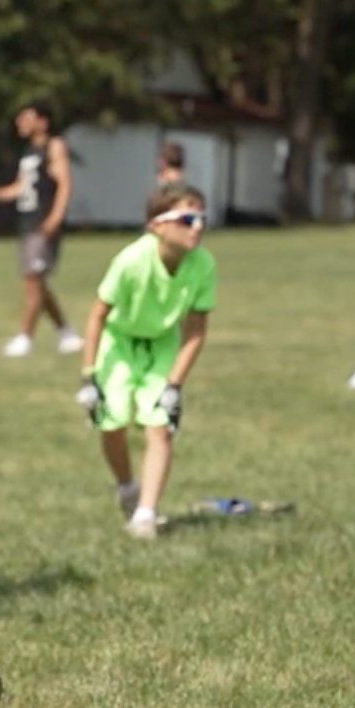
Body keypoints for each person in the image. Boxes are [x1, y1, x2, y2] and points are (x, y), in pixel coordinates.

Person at [74, 182, 215, 539]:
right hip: (119, 342)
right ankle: (126, 488)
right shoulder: (131, 261)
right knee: (113, 422)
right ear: (157, 225)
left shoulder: (203, 265)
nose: (196, 226)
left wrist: (174, 385)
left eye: (201, 218)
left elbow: (196, 330)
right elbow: (97, 315)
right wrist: (88, 376)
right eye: (186, 218)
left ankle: (146, 515)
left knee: (159, 425)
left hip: (163, 343)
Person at [0, 100, 83, 358]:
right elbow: (21, 186)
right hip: (27, 223)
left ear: (42, 122)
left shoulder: (53, 146)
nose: (20, 123)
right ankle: (67, 334)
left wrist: (55, 218)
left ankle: (24, 337)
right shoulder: (29, 152)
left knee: (32, 282)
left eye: (26, 117)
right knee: (36, 283)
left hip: (42, 223)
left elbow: (65, 183)